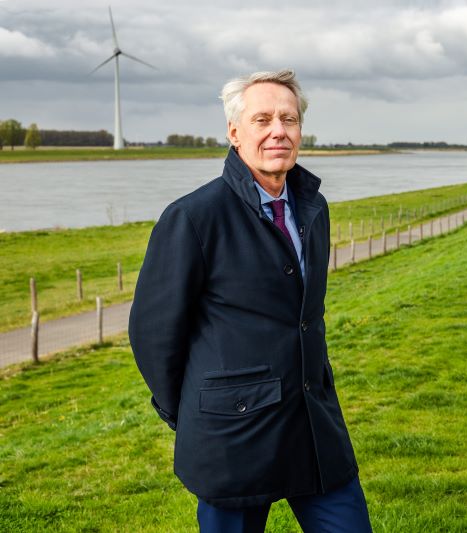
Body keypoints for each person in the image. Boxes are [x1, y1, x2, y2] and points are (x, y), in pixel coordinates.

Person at [129, 69, 372, 533]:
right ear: (234, 133)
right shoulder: (193, 218)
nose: (278, 131)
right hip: (233, 436)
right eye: (262, 120)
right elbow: (153, 333)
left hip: (314, 427)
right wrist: (196, 411)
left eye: (289, 119)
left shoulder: (313, 208)